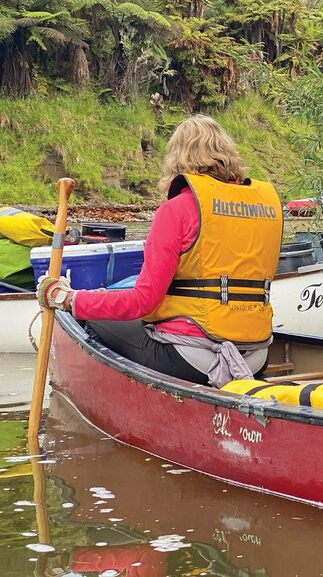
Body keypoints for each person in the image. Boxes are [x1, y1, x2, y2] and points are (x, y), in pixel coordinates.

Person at [37, 115, 283, 387]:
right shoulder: (266, 210)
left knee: (92, 319)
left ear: (177, 160)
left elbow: (143, 301)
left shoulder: (177, 210)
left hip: (193, 359)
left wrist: (69, 299)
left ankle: (122, 405)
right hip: (257, 356)